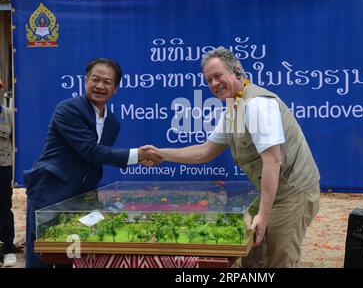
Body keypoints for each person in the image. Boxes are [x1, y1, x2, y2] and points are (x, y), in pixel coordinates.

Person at [148, 47, 320, 267]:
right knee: (253, 256)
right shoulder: (234, 106)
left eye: (218, 76)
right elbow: (205, 151)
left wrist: (263, 216)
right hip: (271, 193)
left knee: (280, 260)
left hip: (292, 194)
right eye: (208, 80)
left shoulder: (257, 104)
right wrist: (160, 154)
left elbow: (273, 161)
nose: (213, 84)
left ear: (237, 72)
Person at [23, 58, 163, 268]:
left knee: (73, 256)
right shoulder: (69, 109)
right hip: (51, 194)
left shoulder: (112, 123)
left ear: (115, 89)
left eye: (107, 82)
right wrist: (137, 156)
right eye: (95, 79)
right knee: (42, 256)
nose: (100, 86)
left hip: (82, 200)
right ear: (85, 80)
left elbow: (98, 159)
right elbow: (90, 150)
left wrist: (141, 158)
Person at [0, 79, 17, 267]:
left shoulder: (9, 115)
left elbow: (15, 145)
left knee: (4, 207)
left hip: (3, 168)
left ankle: (8, 248)